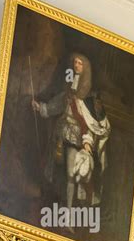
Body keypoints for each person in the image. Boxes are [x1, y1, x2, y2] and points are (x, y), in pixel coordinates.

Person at [32, 53, 111, 211]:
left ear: (85, 69)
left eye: (80, 64)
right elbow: (53, 108)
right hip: (60, 136)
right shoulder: (67, 94)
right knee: (58, 172)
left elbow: (90, 123)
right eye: (75, 63)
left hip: (78, 139)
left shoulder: (89, 100)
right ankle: (58, 205)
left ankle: (69, 212)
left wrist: (87, 141)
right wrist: (40, 107)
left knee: (72, 175)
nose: (76, 66)